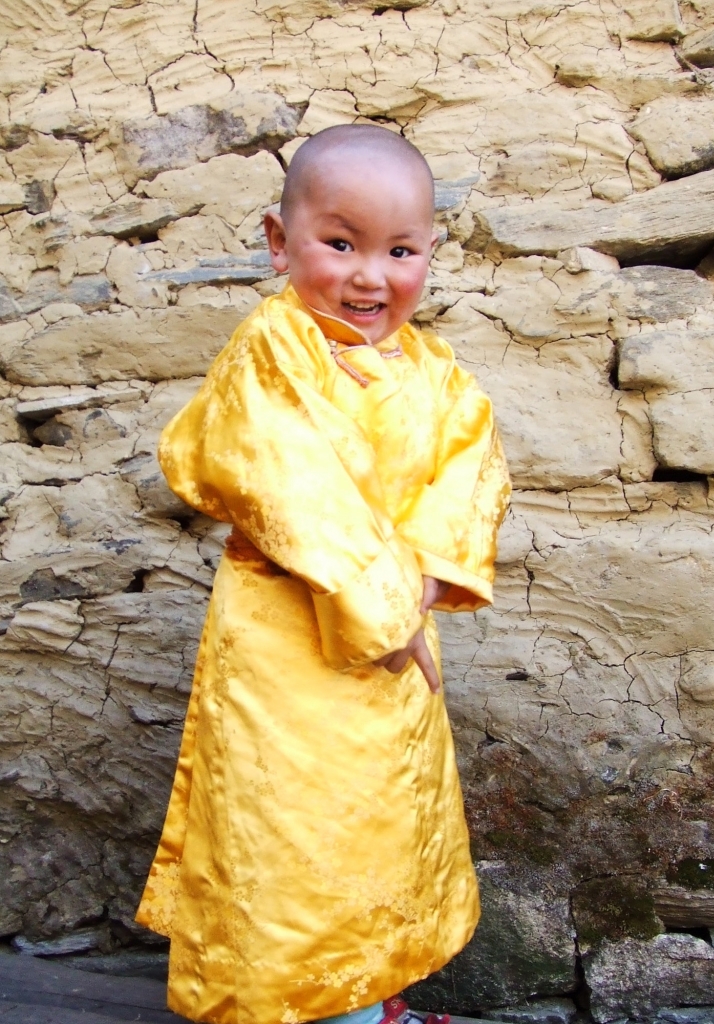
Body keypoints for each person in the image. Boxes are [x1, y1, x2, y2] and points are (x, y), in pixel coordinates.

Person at [135, 124, 511, 1024]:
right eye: (340, 244)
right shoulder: (273, 347)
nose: (369, 276)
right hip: (287, 645)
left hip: (398, 645)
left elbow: (471, 473)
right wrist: (386, 608)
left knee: (383, 824)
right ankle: (301, 1008)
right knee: (289, 831)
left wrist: (423, 582)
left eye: (400, 251)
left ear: (430, 252)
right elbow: (291, 483)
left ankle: (370, 993)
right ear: (279, 241)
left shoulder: (435, 371)